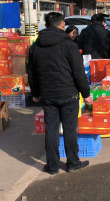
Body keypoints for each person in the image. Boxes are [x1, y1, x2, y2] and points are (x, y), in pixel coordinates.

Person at [27, 12, 93, 175]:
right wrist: (86, 93)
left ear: (46, 25)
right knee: (70, 130)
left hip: (48, 95)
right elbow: (78, 72)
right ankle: (72, 163)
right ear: (62, 25)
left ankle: (53, 166)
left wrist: (35, 93)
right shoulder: (69, 44)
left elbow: (32, 73)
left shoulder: (35, 46)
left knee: (51, 130)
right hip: (68, 94)